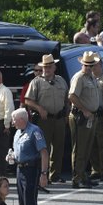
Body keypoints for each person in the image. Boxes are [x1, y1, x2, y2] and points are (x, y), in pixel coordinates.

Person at [24, 54, 68, 184]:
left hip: (59, 117)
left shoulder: (61, 80)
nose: (47, 69)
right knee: (44, 148)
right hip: (44, 120)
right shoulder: (36, 82)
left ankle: (55, 174)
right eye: (44, 67)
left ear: (54, 67)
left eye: (49, 66)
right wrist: (39, 109)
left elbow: (66, 98)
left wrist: (67, 111)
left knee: (59, 147)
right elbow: (28, 100)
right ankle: (44, 175)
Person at [10, 108, 48, 205]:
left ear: (22, 119)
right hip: (20, 170)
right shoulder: (17, 133)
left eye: (14, 119)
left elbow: (44, 152)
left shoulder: (34, 131)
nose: (12, 122)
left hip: (31, 171)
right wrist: (12, 157)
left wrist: (43, 174)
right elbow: (18, 151)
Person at [68, 51, 101, 189]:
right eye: (86, 65)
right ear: (82, 64)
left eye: (91, 65)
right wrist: (84, 110)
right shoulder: (79, 78)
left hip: (91, 116)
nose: (88, 67)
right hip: (81, 116)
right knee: (80, 148)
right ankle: (77, 178)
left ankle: (83, 175)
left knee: (87, 148)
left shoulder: (91, 77)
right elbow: (72, 96)